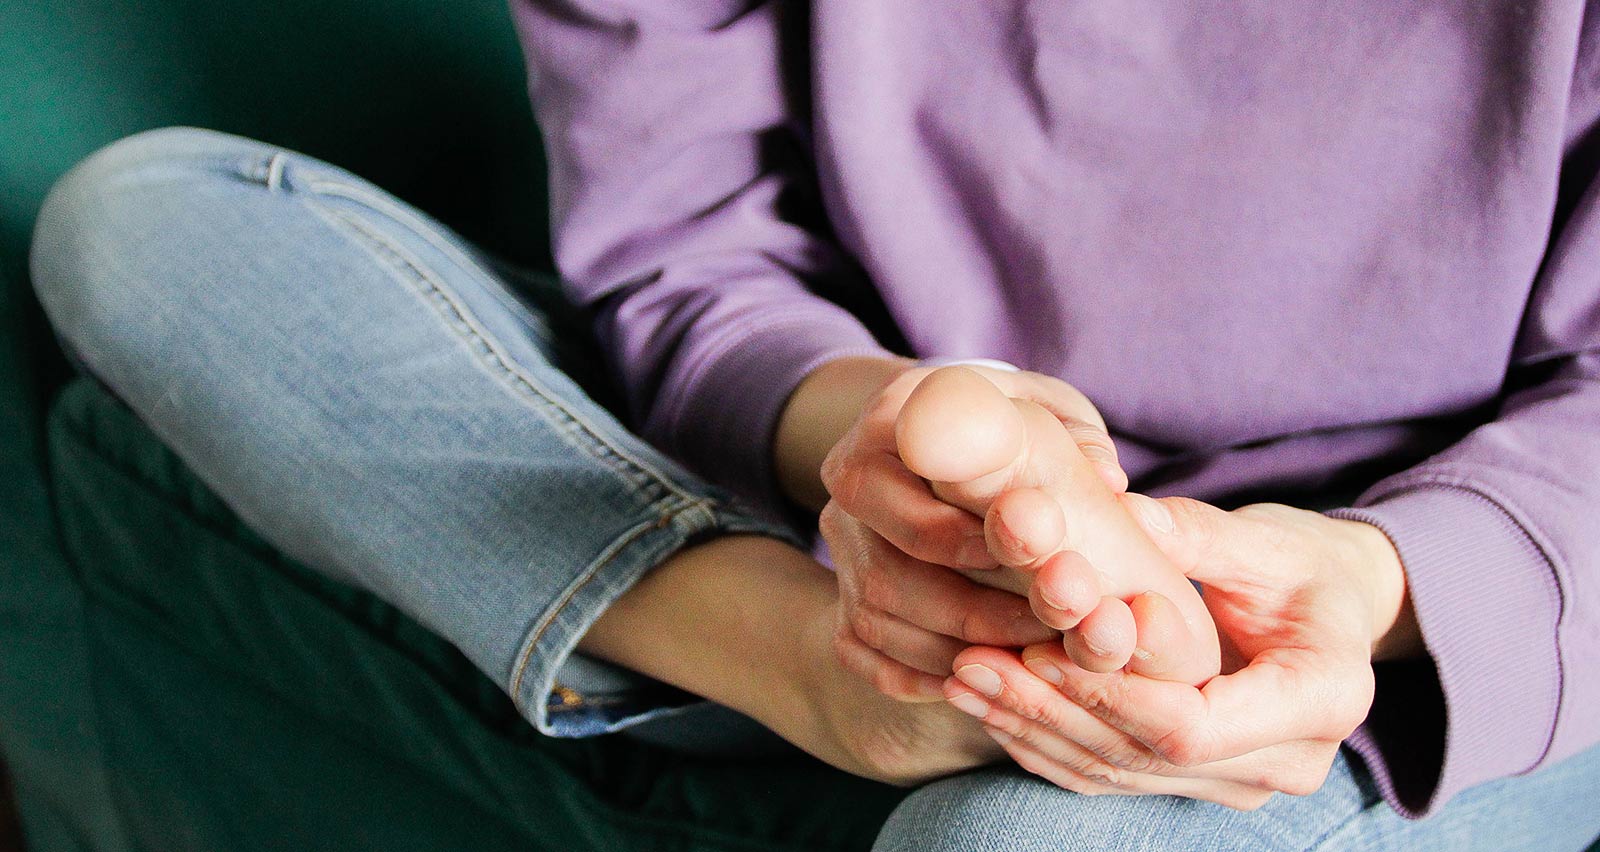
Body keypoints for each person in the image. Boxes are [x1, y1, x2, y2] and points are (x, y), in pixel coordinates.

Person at [27, 2, 1600, 850]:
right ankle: (810, 673)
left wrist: (1375, 592)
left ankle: (950, 693)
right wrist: (878, 432)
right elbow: (692, 252)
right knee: (149, 222)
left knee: (1011, 851)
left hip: (1384, 632)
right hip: (835, 530)